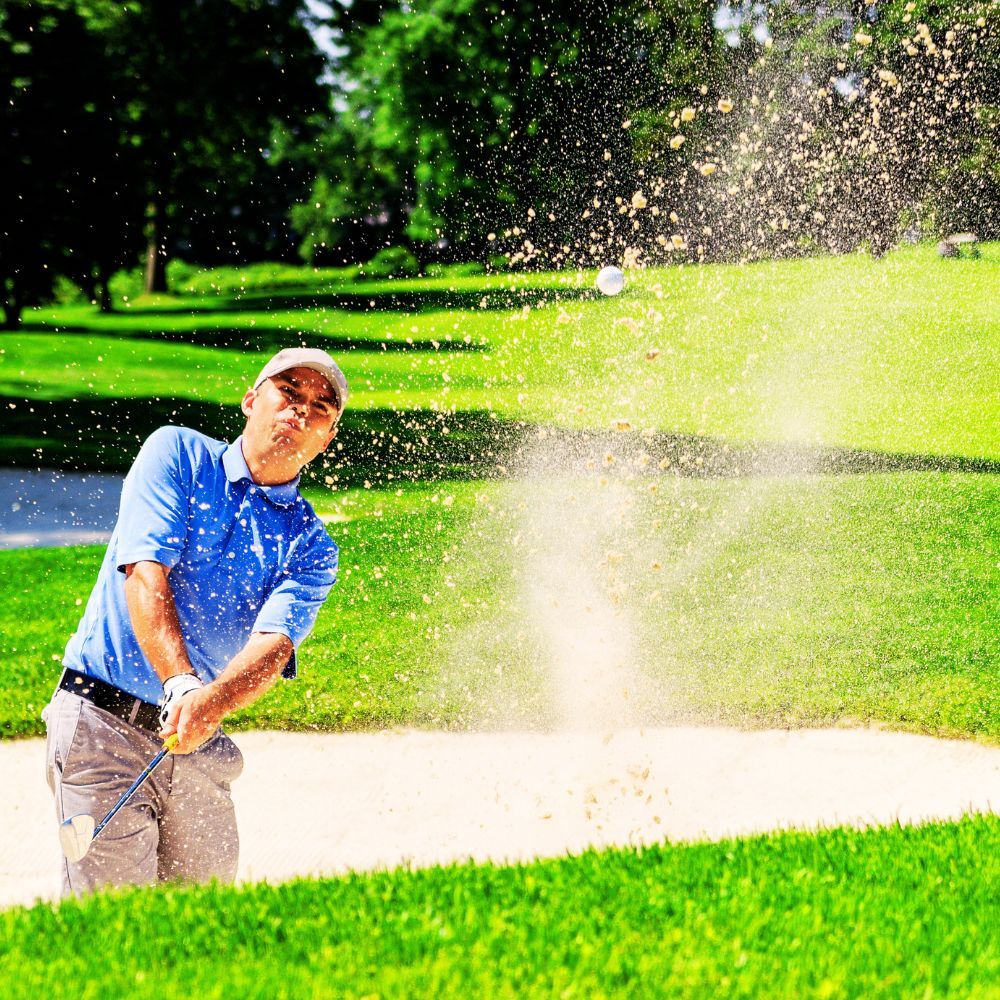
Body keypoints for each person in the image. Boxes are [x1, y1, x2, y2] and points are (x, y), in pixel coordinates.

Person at [43, 347, 347, 896]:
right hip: (100, 723)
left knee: (199, 927)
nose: (300, 412)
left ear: (326, 439)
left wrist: (208, 706)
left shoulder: (312, 546)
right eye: (289, 393)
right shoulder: (177, 454)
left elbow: (274, 645)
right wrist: (182, 684)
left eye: (320, 408)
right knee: (113, 929)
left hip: (199, 741)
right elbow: (144, 572)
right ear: (251, 400)